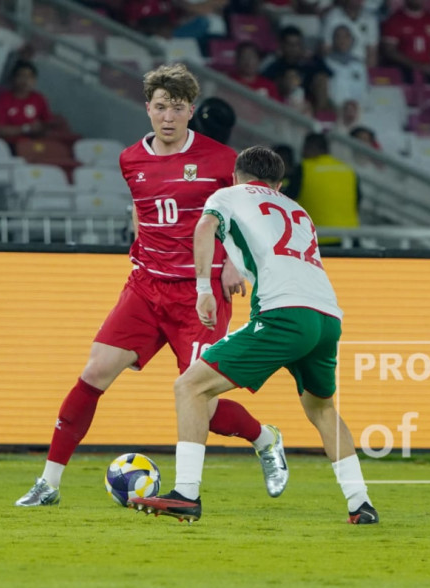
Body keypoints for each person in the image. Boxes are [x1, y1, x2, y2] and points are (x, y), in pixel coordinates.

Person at [15, 64, 288, 508]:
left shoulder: (222, 160)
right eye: (160, 107)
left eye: (176, 108)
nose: (167, 116)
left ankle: (264, 439)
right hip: (145, 287)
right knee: (93, 372)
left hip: (197, 296)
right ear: (147, 108)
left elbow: (247, 215)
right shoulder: (130, 160)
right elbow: (143, 212)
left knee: (204, 402)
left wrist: (233, 263)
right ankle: (49, 483)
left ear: (190, 111)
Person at [126, 146, 378, 525]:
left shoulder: (227, 195)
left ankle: (186, 494)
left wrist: (204, 290)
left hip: (283, 314)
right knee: (322, 408)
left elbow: (205, 227)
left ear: (237, 174)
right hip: (327, 316)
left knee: (190, 387)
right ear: (278, 183)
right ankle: (361, 503)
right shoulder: (298, 209)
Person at [293, 133, 359, 245]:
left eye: (304, 148)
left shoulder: (304, 168)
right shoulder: (347, 169)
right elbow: (357, 200)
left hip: (318, 239)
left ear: (311, 148)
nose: (302, 153)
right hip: (349, 238)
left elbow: (287, 197)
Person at [380, 0, 430, 83]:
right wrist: (417, 66)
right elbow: (389, 51)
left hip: (429, 68)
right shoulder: (395, 20)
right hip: (405, 68)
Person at [0, 61, 53, 144]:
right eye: (22, 76)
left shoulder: (39, 99)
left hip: (33, 144)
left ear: (34, 80)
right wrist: (26, 128)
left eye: (30, 77)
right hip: (8, 145)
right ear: (13, 79)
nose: (25, 80)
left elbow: (48, 123)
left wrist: (41, 128)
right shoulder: (3, 99)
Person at [261, 26, 330, 87]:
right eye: (290, 44)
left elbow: (327, 73)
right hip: (283, 100)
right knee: (290, 75)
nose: (293, 48)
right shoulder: (275, 66)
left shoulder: (309, 63)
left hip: (308, 99)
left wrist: (314, 57)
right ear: (282, 45)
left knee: (321, 78)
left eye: (297, 44)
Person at [321, 0, 379, 68]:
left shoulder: (370, 19)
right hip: (336, 64)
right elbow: (326, 48)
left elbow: (372, 52)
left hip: (360, 66)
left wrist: (367, 73)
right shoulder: (332, 16)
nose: (357, 2)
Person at [324, 26, 370, 107]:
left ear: (352, 40)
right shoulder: (325, 63)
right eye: (338, 37)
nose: (342, 40)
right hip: (335, 110)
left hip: (359, 111)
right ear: (333, 40)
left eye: (346, 36)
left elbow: (366, 89)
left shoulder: (360, 64)